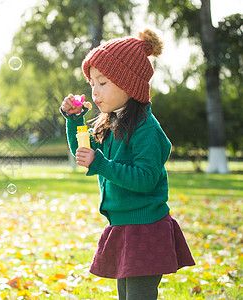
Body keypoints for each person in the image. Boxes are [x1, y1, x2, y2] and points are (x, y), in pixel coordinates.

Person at [60, 29, 195, 300]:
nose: (95, 92)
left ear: (129, 85)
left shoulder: (145, 127)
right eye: (92, 84)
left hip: (146, 228)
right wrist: (74, 121)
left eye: (103, 83)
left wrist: (102, 164)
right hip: (122, 226)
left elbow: (145, 178)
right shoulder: (112, 122)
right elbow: (86, 157)